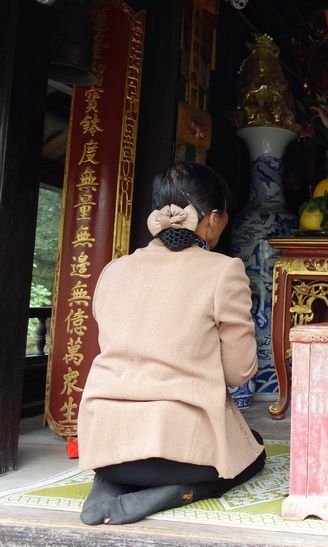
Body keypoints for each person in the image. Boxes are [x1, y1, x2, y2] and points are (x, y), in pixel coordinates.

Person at [77, 162, 265, 525]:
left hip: (105, 442)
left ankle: (107, 482)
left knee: (127, 456)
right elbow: (239, 372)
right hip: (179, 451)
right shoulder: (223, 270)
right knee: (252, 451)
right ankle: (177, 492)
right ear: (211, 218)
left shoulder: (114, 269)